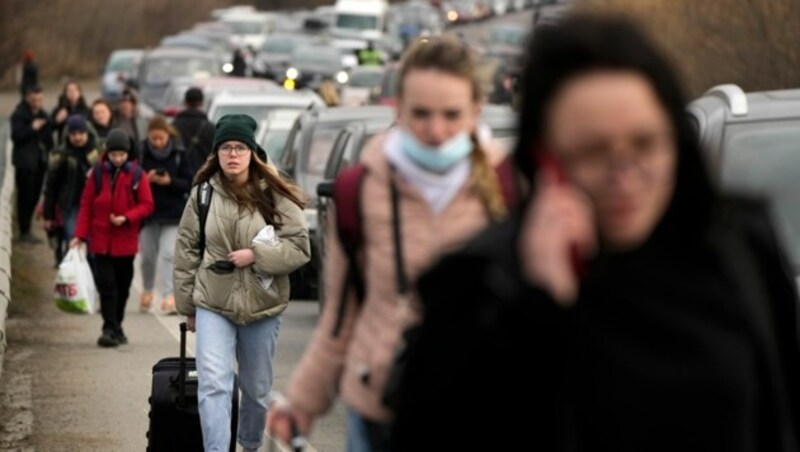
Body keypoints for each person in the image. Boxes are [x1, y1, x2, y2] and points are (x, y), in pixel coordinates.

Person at [388, 14, 800, 451]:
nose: (624, 176)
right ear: (544, 158)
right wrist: (539, 313)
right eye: (591, 151)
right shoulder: (477, 289)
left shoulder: (735, 250)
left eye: (645, 144)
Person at [266, 36, 509, 451]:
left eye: (452, 115)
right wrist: (301, 406)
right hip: (380, 410)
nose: (435, 130)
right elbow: (341, 320)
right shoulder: (359, 191)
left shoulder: (511, 189)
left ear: (476, 111)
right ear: (397, 109)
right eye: (421, 114)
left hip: (482, 412)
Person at [173, 114, 311, 452]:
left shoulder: (274, 193)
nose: (232, 154)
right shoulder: (203, 194)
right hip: (213, 301)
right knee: (213, 385)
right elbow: (187, 250)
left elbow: (300, 247)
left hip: (263, 303)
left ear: (252, 152)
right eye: (225, 148)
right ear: (216, 153)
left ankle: (249, 444)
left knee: (256, 388)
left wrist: (257, 255)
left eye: (239, 148)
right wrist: (188, 306)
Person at [70, 128, 154, 347]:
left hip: (125, 242)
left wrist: (126, 217)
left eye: (121, 155)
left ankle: (117, 326)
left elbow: (147, 204)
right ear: (107, 153)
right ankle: (109, 328)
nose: (117, 159)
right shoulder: (97, 174)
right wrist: (79, 235)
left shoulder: (137, 175)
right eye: (114, 155)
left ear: (128, 154)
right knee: (107, 286)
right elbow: (86, 205)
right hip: (101, 241)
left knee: (123, 286)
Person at [137, 116, 193, 314]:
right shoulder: (142, 152)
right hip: (148, 213)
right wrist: (146, 179)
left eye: (161, 138)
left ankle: (169, 296)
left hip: (172, 213)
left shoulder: (179, 153)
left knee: (170, 254)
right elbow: (132, 180)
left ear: (168, 135)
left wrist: (170, 181)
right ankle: (147, 290)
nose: (158, 142)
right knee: (148, 257)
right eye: (154, 139)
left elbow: (188, 182)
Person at [43, 115, 101, 266]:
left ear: (87, 133)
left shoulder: (96, 153)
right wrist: (48, 215)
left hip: (94, 205)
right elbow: (51, 185)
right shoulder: (60, 154)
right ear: (68, 135)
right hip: (70, 205)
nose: (78, 137)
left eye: (81, 133)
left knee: (94, 244)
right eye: (74, 134)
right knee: (73, 239)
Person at [11, 86, 54, 244]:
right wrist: (32, 128)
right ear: (28, 98)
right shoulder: (20, 114)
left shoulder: (43, 115)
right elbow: (16, 136)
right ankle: (24, 231)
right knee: (25, 197)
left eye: (40, 100)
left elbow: (49, 138)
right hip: (24, 163)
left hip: (39, 163)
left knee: (35, 196)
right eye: (34, 100)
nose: (37, 103)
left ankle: (27, 230)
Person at [171, 87, 215, 173]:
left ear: (185, 102)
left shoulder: (173, 126)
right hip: (204, 175)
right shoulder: (210, 127)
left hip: (180, 176)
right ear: (202, 103)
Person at [51, 80, 91, 145]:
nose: (72, 93)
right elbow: (50, 128)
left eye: (75, 90)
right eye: (69, 91)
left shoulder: (86, 109)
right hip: (65, 145)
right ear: (65, 93)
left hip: (83, 144)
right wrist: (57, 121)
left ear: (80, 93)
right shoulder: (59, 109)